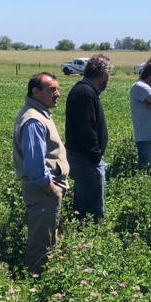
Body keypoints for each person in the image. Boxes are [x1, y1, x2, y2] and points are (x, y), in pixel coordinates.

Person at [13, 72, 69, 274]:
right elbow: (36, 164)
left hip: (47, 189)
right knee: (41, 241)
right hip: (43, 190)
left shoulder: (39, 114)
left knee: (49, 236)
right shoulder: (34, 120)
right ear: (36, 92)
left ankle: (45, 277)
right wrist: (51, 188)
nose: (58, 94)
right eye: (52, 89)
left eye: (58, 88)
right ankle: (36, 284)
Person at [64, 53, 112, 221]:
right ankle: (87, 236)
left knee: (85, 201)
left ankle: (83, 232)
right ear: (103, 75)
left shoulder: (85, 90)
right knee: (90, 209)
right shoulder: (85, 92)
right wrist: (96, 157)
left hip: (85, 157)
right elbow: (87, 129)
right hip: (86, 159)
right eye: (109, 75)